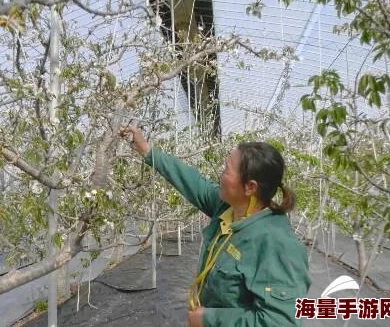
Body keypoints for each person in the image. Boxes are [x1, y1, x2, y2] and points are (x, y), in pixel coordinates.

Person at [119, 125, 311, 327]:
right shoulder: (229, 209)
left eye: (227, 170)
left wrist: (209, 319)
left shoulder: (276, 244)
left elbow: (280, 322)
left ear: (250, 187)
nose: (221, 176)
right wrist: (148, 151)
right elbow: (193, 183)